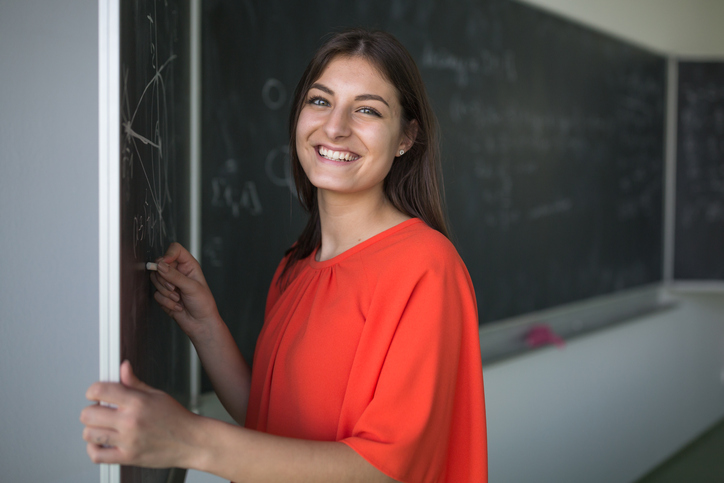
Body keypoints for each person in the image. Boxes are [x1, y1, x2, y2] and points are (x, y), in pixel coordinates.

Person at [81, 28, 488, 482]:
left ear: (405, 138)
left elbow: (383, 472)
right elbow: (270, 420)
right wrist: (206, 326)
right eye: (320, 101)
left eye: (367, 110)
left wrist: (191, 439)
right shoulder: (295, 265)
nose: (335, 127)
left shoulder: (426, 267)